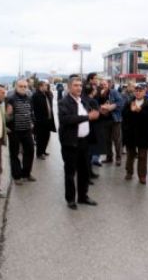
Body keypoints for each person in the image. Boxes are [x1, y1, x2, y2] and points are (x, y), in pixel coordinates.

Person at [58, 75, 99, 210]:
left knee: (84, 171)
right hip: (70, 143)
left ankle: (83, 196)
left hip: (84, 142)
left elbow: (90, 114)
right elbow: (66, 119)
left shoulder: (83, 101)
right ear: (69, 87)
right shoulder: (64, 102)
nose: (79, 88)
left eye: (80, 85)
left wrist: (99, 112)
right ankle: (70, 199)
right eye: (76, 85)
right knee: (70, 173)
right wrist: (87, 116)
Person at [122, 84, 148, 184]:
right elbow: (124, 115)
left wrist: (140, 111)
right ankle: (129, 172)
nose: (138, 92)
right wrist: (130, 111)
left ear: (145, 92)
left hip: (143, 133)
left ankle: (142, 176)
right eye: (136, 90)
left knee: (142, 156)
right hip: (130, 133)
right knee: (130, 155)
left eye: (140, 91)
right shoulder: (129, 102)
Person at [6, 79, 36, 185]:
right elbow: (6, 117)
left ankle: (26, 174)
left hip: (27, 130)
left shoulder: (29, 98)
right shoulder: (10, 99)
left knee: (30, 151)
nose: (23, 88)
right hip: (15, 131)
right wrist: (8, 115)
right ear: (16, 87)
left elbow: (31, 112)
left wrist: (32, 122)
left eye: (25, 86)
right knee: (14, 154)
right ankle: (17, 176)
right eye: (21, 86)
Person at [96, 79, 123, 166]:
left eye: (105, 84)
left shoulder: (113, 92)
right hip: (104, 119)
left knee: (117, 140)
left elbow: (121, 102)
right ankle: (109, 157)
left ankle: (118, 158)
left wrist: (111, 106)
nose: (103, 86)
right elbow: (96, 104)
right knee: (107, 140)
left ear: (109, 85)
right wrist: (101, 109)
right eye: (102, 84)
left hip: (115, 119)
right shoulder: (98, 93)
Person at [32, 80, 56, 160]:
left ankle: (43, 151)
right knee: (40, 138)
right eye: (45, 85)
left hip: (48, 120)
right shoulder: (36, 96)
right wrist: (36, 120)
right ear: (40, 86)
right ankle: (39, 153)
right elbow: (33, 108)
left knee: (47, 136)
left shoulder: (46, 94)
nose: (47, 87)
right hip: (40, 122)